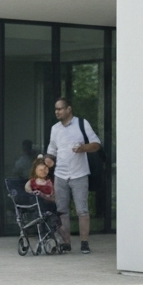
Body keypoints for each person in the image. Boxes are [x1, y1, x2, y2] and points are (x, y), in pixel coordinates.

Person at [46, 97, 100, 254]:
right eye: (55, 109)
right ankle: (66, 242)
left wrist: (83, 148)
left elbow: (96, 144)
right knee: (62, 210)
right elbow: (52, 149)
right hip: (60, 174)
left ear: (68, 109)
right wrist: (48, 159)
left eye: (60, 109)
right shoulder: (55, 128)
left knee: (82, 210)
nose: (57, 112)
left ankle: (84, 242)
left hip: (79, 174)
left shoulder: (82, 123)